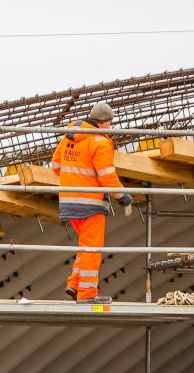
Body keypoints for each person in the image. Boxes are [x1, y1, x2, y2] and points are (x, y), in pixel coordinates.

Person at [51, 101, 133, 304]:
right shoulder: (100, 142)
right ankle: (87, 294)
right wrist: (123, 197)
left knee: (85, 246)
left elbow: (55, 166)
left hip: (69, 202)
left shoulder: (69, 137)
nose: (110, 127)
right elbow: (107, 176)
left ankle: (74, 283)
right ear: (104, 122)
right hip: (90, 204)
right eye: (110, 123)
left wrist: (76, 179)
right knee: (92, 249)